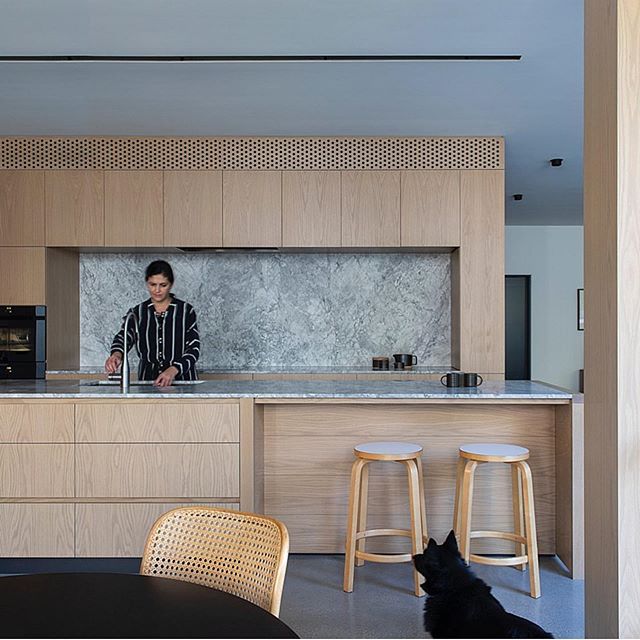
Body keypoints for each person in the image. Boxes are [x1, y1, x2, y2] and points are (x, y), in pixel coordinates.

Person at [105, 260, 200, 387]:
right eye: (152, 284)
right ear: (147, 283)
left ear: (171, 284)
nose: (157, 290)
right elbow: (123, 338)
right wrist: (116, 355)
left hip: (183, 382)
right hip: (148, 382)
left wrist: (173, 370)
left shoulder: (186, 311)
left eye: (163, 285)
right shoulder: (137, 312)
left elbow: (194, 349)